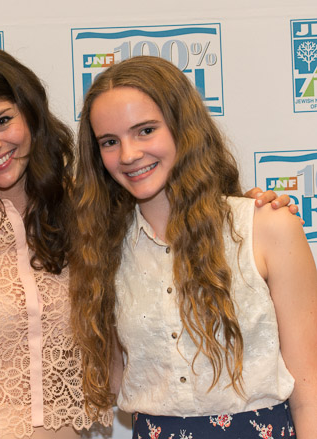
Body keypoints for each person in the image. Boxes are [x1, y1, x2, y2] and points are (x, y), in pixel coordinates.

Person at [0, 46, 292, 439]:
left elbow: (179, 224)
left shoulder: (88, 217)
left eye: (2, 121)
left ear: (30, 113)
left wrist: (251, 209)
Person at [70, 55, 317, 438]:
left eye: (145, 130)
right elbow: (112, 380)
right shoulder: (103, 252)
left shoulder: (267, 227)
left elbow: (310, 388)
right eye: (110, 142)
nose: (128, 154)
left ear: (183, 127)